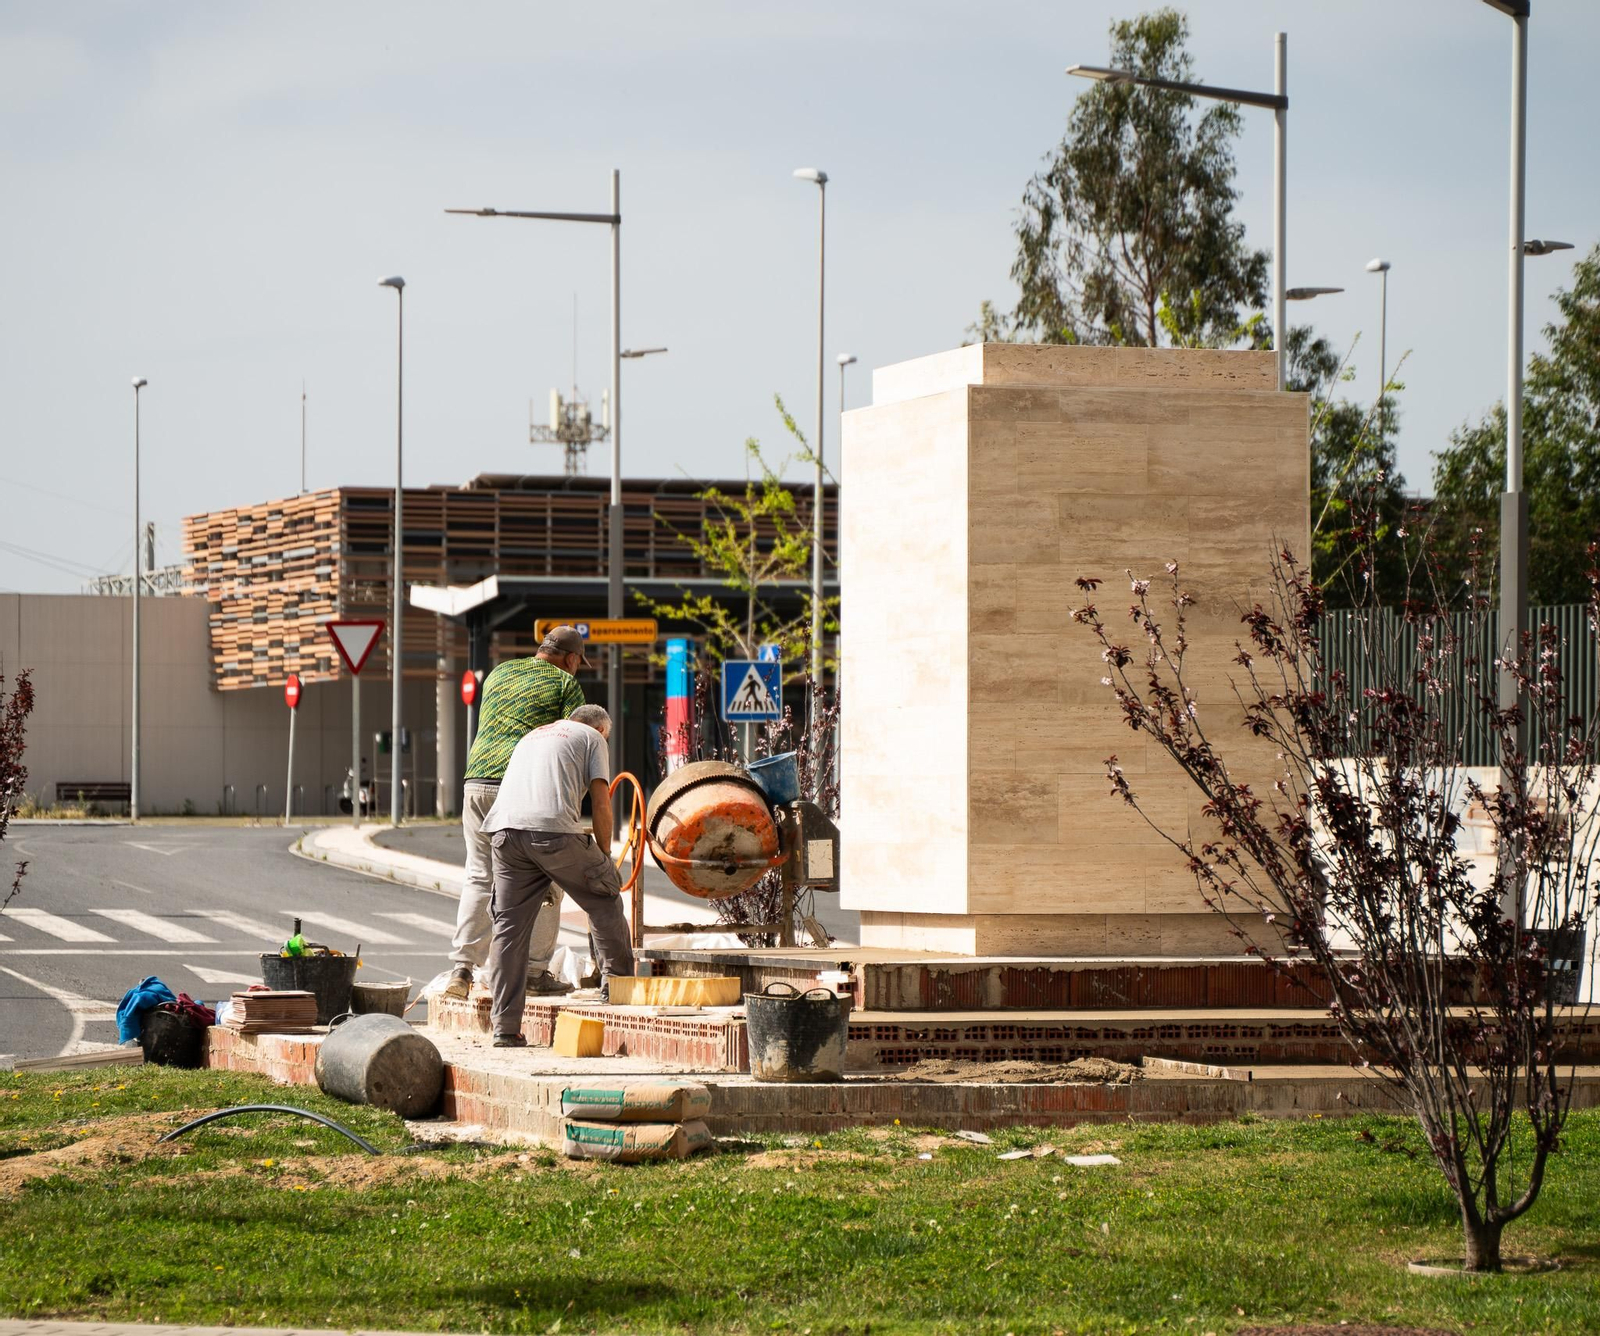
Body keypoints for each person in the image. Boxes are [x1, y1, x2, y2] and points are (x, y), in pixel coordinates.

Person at [442, 625, 591, 1000]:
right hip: (522, 785)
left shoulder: (500, 672)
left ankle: (461, 970)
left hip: (476, 782)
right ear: (571, 659)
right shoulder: (565, 684)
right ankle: (535, 972)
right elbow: (567, 744)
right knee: (547, 878)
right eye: (578, 663)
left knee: (480, 876)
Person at [483, 704, 635, 1046]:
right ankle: (620, 995)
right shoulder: (593, 738)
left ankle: (505, 1030)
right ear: (599, 728)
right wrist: (604, 858)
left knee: (508, 930)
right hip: (551, 832)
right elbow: (601, 802)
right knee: (604, 896)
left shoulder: (532, 736)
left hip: (504, 834)